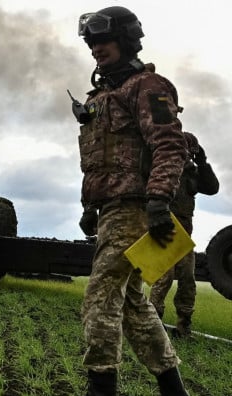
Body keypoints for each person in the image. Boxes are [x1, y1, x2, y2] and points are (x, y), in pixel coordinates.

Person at [75, 6, 190, 395]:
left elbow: (169, 144)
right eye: (91, 42)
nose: (95, 48)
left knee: (101, 295)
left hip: (135, 209)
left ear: (125, 40)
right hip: (111, 211)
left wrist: (158, 199)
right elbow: (98, 159)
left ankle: (101, 387)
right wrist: (90, 207)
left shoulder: (148, 86)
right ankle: (173, 387)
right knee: (131, 303)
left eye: (102, 40)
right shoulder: (102, 97)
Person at [150, 132, 219, 337]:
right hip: (165, 232)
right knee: (164, 277)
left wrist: (203, 163)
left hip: (184, 236)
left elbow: (212, 188)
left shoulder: (192, 173)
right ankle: (154, 323)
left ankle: (184, 325)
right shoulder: (163, 167)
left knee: (188, 280)